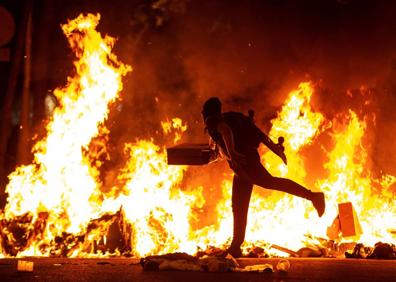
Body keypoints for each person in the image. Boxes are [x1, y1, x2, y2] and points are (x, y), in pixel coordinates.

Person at [201, 97, 325, 258]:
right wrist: (276, 149)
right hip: (242, 167)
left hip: (246, 164)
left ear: (208, 113)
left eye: (204, 113)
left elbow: (226, 132)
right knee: (238, 205)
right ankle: (235, 246)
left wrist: (232, 152)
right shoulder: (231, 120)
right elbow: (259, 135)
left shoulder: (216, 122)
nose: (203, 116)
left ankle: (313, 196)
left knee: (270, 182)